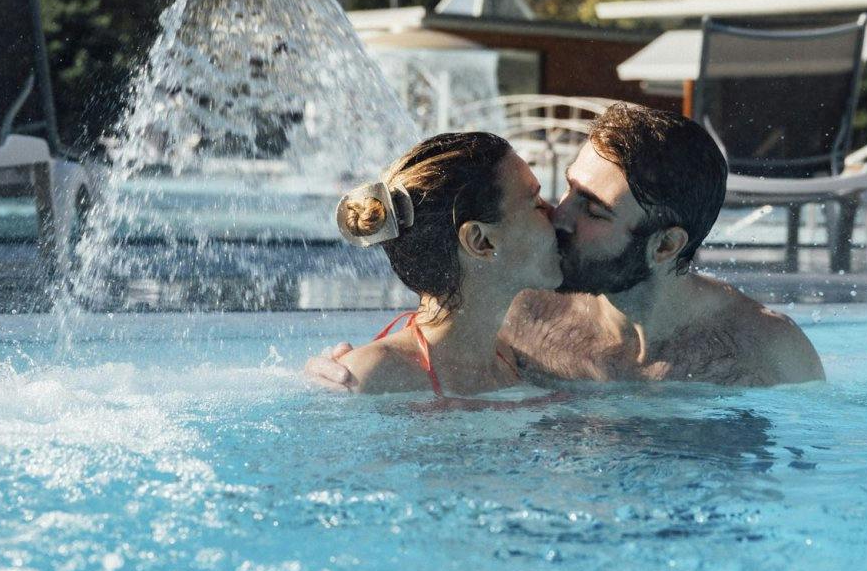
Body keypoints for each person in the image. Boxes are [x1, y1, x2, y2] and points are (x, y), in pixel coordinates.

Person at [312, 104, 823, 390]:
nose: (560, 216)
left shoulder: (768, 352)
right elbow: (436, 327)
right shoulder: (520, 312)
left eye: (594, 209)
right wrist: (340, 375)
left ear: (666, 245)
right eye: (570, 189)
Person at [328, 131, 561, 397]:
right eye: (536, 203)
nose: (555, 213)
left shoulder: (507, 360)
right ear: (480, 241)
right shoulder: (372, 376)